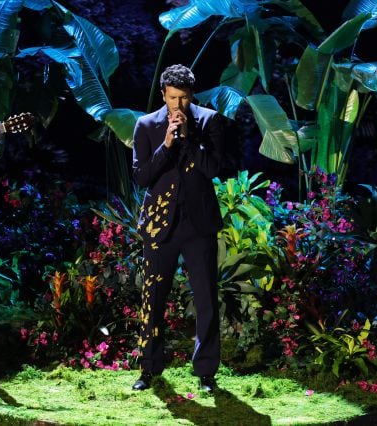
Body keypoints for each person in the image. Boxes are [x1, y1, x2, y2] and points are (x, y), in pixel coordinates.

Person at [131, 64, 224, 393]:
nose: (178, 106)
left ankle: (206, 372)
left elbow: (213, 168)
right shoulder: (145, 125)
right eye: (173, 99)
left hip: (198, 225)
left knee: (206, 300)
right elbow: (142, 177)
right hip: (160, 225)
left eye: (183, 99)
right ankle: (149, 368)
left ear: (191, 95)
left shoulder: (209, 120)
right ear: (163, 95)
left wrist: (187, 139)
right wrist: (167, 144)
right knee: (153, 297)